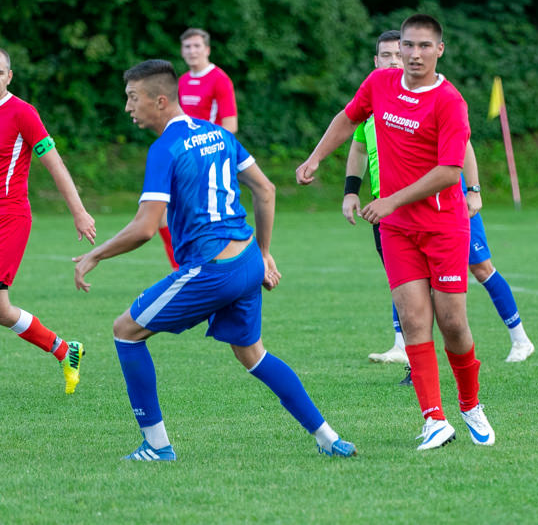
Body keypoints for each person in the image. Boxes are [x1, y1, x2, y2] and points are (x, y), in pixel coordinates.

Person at [73, 59, 355, 461]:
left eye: (132, 98)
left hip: (213, 270)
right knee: (252, 354)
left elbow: (145, 227)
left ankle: (157, 447)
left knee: (125, 331)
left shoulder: (165, 149)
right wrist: (263, 253)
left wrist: (94, 255)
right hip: (246, 263)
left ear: (160, 100)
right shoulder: (218, 134)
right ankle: (329, 438)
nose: (127, 108)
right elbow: (266, 189)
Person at [298, 14, 495, 450]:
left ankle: (469, 403)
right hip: (398, 229)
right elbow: (348, 121)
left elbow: (449, 171)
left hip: (444, 226)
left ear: (439, 50)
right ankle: (433, 419)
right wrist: (315, 158)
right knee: (411, 319)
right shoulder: (380, 85)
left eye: (424, 46)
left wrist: (390, 200)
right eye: (408, 45)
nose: (414, 54)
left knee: (453, 323)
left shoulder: (450, 101)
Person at [0, 47, 96, 394]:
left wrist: (79, 212)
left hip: (9, 217)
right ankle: (64, 349)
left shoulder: (22, 113)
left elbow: (54, 164)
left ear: (9, 76)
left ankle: (63, 349)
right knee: (1, 309)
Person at [342, 30, 410, 385]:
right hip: (381, 210)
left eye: (400, 54)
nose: (394, 61)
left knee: (426, 290)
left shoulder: (419, 98)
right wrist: (351, 191)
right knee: (401, 284)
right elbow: (356, 148)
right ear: (375, 61)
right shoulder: (370, 103)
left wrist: (471, 190)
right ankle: (407, 351)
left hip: (417, 208)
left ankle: (420, 358)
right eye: (387, 55)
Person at [158, 28, 239, 271]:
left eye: (196, 46)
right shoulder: (182, 81)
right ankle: (181, 268)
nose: (192, 51)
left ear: (207, 49)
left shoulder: (219, 80)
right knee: (163, 213)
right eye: (187, 47)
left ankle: (207, 269)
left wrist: (209, 152)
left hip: (206, 160)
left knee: (198, 218)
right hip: (182, 160)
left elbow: (230, 126)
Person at [461, 143, 535, 363]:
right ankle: (402, 347)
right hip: (421, 203)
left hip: (457, 201)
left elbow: (464, 143)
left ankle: (520, 339)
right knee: (415, 274)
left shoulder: (444, 109)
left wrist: (473, 191)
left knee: (482, 269)